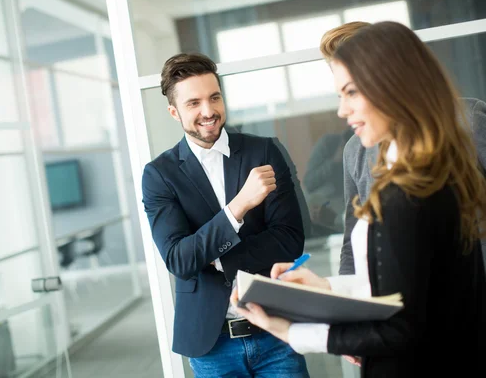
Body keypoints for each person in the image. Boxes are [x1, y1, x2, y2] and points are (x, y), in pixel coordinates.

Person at [230, 21, 486, 377]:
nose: (341, 110)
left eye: (351, 92)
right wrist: (326, 289)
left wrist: (288, 329)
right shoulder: (416, 174)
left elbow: (401, 324)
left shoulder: (408, 191)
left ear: (389, 84)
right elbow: (397, 282)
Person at [142, 52, 309, 377]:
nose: (208, 111)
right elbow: (179, 259)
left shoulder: (264, 151)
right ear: (174, 112)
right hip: (211, 343)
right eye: (194, 103)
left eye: (214, 97)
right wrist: (239, 206)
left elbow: (290, 240)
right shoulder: (159, 175)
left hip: (275, 331)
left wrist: (215, 259)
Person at [320, 22, 486, 276]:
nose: (343, 110)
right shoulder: (355, 150)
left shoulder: (469, 119)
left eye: (352, 91)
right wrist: (337, 299)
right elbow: (352, 245)